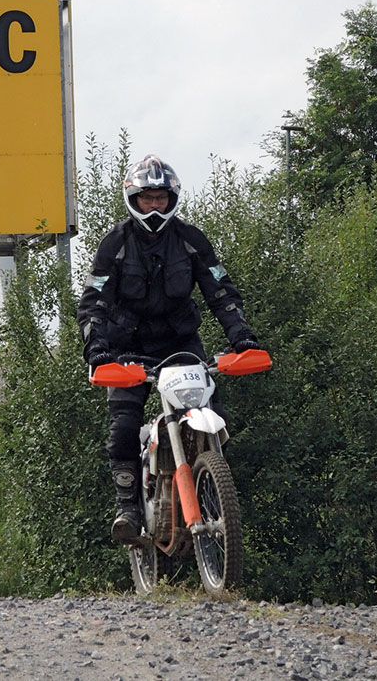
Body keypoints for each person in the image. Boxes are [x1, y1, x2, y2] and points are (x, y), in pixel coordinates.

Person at [77, 155, 260, 545]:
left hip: (181, 345)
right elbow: (93, 300)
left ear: (172, 198)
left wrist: (241, 336)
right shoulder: (115, 244)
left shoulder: (191, 241)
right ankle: (127, 506)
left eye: (161, 198)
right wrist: (97, 350)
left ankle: (214, 486)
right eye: (147, 199)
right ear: (133, 199)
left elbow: (221, 291)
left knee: (217, 415)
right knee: (124, 424)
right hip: (128, 348)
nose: (155, 206)